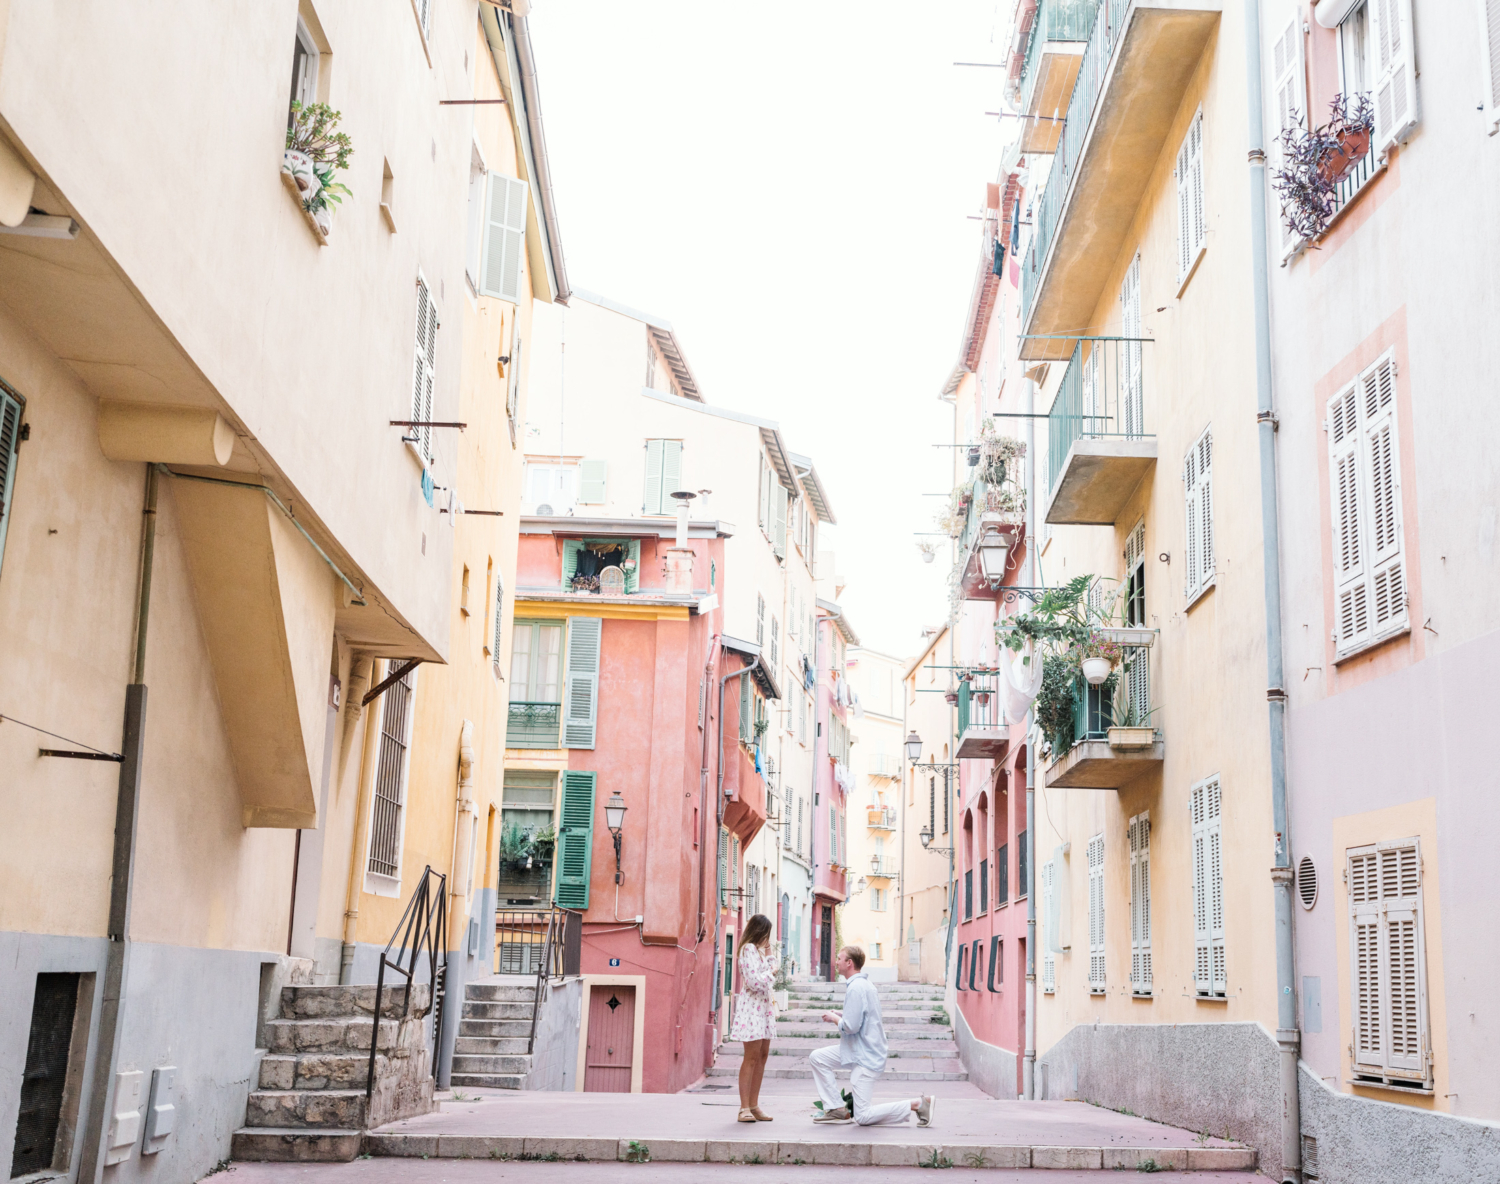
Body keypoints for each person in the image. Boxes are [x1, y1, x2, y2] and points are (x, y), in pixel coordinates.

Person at [809, 945, 935, 1128]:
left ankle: (918, 1104)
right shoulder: (864, 985)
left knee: (863, 1117)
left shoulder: (856, 988)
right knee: (818, 1058)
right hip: (858, 1050)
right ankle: (836, 1109)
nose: (836, 962)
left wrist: (834, 1018)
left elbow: (851, 1028)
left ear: (849, 963)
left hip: (865, 1057)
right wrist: (843, 1015)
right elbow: (863, 1018)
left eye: (839, 958)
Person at [729, 913, 777, 1122]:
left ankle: (754, 1105)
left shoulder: (757, 952)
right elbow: (754, 982)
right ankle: (743, 1108)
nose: (768, 938)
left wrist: (769, 955)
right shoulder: (747, 949)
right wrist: (771, 972)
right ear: (759, 931)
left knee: (763, 1056)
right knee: (751, 1057)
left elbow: (769, 969)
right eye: (766, 933)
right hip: (752, 1010)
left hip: (763, 1009)